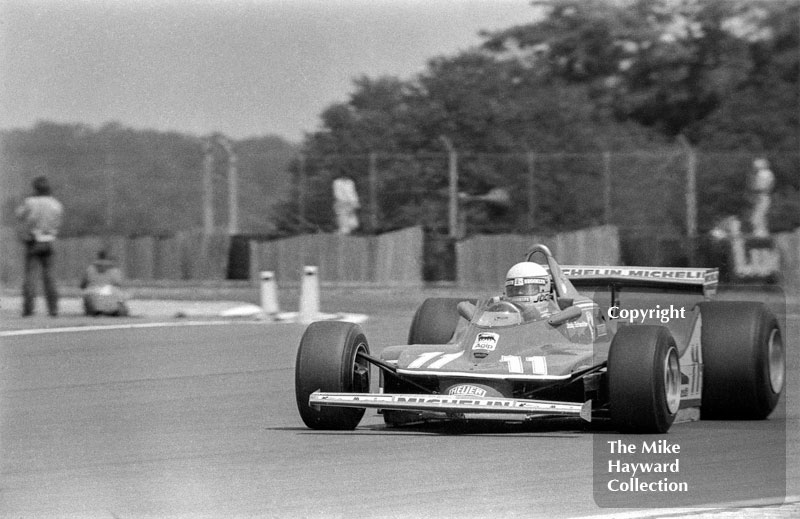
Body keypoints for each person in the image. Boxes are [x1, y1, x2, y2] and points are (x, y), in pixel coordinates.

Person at [15, 176, 64, 317]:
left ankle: (28, 309)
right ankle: (53, 309)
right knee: (50, 277)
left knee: (31, 276)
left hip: (34, 240)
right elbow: (58, 221)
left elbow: (19, 215)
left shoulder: (30, 202)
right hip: (49, 240)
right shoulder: (56, 204)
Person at [80, 250, 130, 316]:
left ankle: (95, 311)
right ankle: (114, 310)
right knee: (119, 296)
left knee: (87, 294)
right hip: (111, 293)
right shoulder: (114, 270)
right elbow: (119, 284)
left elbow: (83, 285)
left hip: (94, 293)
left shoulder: (90, 269)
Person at [747, 158, 775, 238]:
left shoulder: (764, 174)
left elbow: (760, 186)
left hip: (762, 196)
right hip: (762, 196)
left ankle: (761, 233)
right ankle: (760, 232)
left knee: (758, 216)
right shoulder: (766, 173)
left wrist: (754, 187)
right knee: (758, 215)